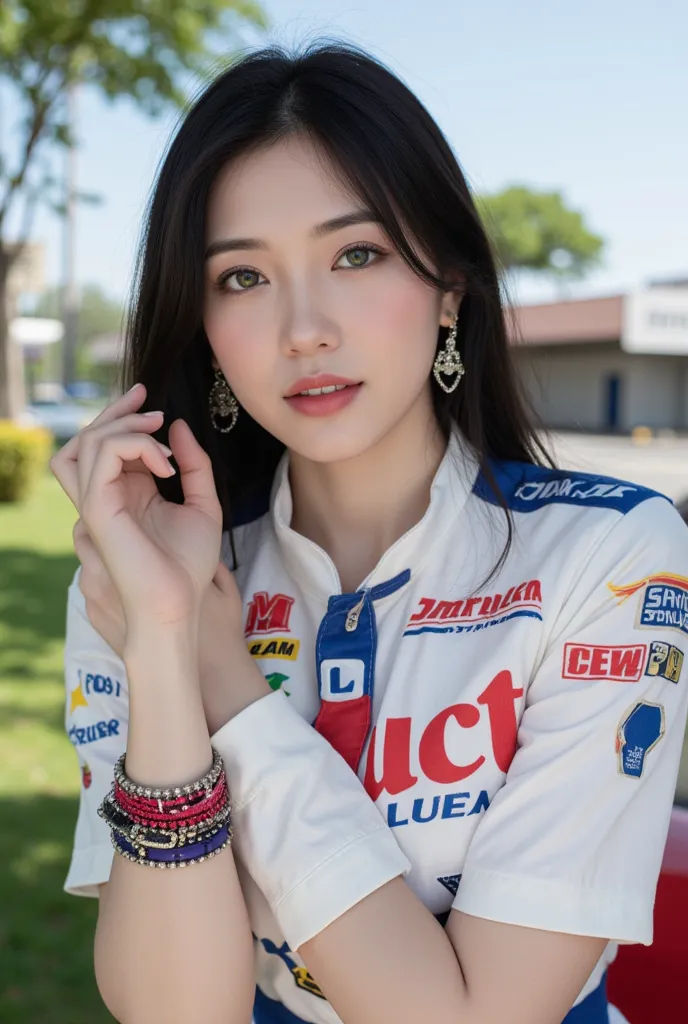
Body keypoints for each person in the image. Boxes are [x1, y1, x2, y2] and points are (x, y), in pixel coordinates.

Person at [51, 42, 688, 1024]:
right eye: (240, 277)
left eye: (356, 254)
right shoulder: (139, 574)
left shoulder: (603, 558)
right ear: (205, 328)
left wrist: (226, 682)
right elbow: (178, 1012)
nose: (303, 327)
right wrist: (164, 643)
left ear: (448, 287)